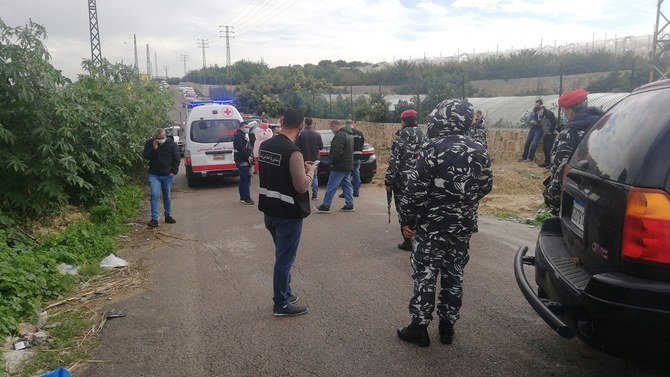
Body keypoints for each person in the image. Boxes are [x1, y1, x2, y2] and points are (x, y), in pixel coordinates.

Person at [396, 99, 493, 347]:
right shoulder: (479, 149)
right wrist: (462, 203)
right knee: (454, 273)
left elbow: (414, 190)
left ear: (444, 119)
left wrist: (408, 219)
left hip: (432, 226)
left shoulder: (432, 149)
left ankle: (419, 327)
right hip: (462, 226)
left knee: (426, 274)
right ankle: (447, 327)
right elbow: (485, 186)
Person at [258, 107, 315, 317]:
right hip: (288, 214)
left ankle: (286, 292)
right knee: (284, 259)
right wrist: (310, 172)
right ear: (300, 126)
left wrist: (300, 168)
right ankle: (281, 303)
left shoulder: (265, 145)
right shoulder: (293, 152)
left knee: (282, 255)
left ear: (281, 121)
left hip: (269, 211)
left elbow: (274, 172)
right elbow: (301, 186)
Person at [543, 89, 603, 215]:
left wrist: (553, 196)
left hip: (571, 193)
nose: (564, 114)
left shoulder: (571, 132)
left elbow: (561, 167)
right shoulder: (603, 126)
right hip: (597, 194)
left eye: (564, 111)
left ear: (570, 111)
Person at [385, 109, 425, 251]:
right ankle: (420, 238)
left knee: (403, 208)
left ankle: (408, 241)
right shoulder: (423, 134)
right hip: (420, 178)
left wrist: (388, 180)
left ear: (403, 121)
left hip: (402, 180)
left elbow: (395, 161)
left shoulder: (401, 135)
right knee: (419, 208)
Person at [143, 128, 180, 228]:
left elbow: (177, 158)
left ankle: (168, 215)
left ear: (165, 136)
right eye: (158, 138)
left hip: (167, 175)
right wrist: (154, 149)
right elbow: (146, 156)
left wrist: (173, 171)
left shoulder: (172, 144)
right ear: (155, 136)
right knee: (154, 195)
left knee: (166, 196)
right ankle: (154, 219)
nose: (160, 139)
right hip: (154, 174)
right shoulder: (150, 143)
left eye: (162, 138)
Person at [315, 120, 355, 213]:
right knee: (346, 184)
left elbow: (337, 152)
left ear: (335, 126)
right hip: (347, 164)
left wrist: (332, 162)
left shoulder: (340, 136)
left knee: (331, 185)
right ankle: (349, 204)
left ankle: (326, 205)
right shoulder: (349, 135)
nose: (331, 129)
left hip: (339, 166)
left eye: (332, 127)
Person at [295, 117, 323, 200]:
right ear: (312, 123)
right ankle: (315, 195)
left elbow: (296, 146)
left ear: (304, 123)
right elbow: (321, 147)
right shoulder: (317, 134)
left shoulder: (301, 134)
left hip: (304, 159)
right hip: (315, 159)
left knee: (303, 177)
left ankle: (303, 194)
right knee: (314, 177)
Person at [234, 121, 254, 205]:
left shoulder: (242, 135)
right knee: (246, 179)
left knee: (243, 179)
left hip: (243, 159)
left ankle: (243, 197)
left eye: (248, 127)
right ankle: (246, 198)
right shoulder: (239, 135)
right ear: (241, 127)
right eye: (246, 127)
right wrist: (247, 156)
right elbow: (240, 148)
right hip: (242, 160)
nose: (247, 129)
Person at [348, 120, 365, 197]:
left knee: (346, 175)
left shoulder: (348, 133)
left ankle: (347, 192)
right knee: (356, 173)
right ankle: (356, 192)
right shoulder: (360, 133)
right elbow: (362, 143)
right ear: (353, 124)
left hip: (350, 156)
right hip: (358, 156)